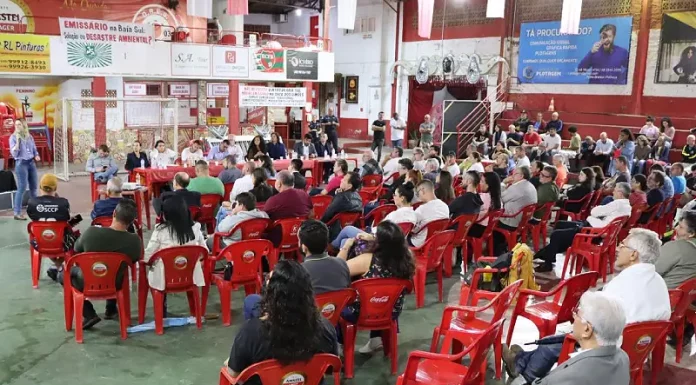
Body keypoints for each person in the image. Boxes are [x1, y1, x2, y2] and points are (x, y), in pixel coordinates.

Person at [225, 260, 338, 383]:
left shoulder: (250, 332)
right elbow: (329, 369)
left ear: (271, 294)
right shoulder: (326, 328)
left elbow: (233, 373)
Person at [505, 291, 630, 385]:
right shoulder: (623, 358)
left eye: (577, 313)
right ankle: (518, 361)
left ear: (587, 330)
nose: (573, 317)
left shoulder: (566, 378)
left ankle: (517, 365)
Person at [336, 221, 415, 354]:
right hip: (391, 311)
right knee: (383, 296)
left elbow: (337, 269)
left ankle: (341, 345)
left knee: (340, 304)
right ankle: (376, 338)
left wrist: (346, 246)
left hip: (360, 313)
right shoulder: (407, 257)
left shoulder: (367, 260)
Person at [65, 199, 142, 328]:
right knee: (115, 268)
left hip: (88, 280)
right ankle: (111, 309)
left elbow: (77, 250)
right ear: (132, 221)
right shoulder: (135, 241)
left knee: (65, 274)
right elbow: (133, 260)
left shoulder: (91, 232)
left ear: (114, 214)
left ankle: (89, 314)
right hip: (115, 282)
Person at [535, 182, 632, 272]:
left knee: (557, 234)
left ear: (620, 193)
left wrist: (595, 211)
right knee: (560, 224)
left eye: (615, 189)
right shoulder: (627, 207)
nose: (613, 191)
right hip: (595, 230)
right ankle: (547, 254)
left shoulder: (617, 204)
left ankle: (547, 262)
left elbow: (594, 212)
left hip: (592, 233)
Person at [144, 195, 207, 295]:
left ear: (165, 215)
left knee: (156, 275)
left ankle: (162, 308)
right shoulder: (195, 228)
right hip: (189, 275)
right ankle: (196, 310)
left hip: (164, 279)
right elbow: (204, 252)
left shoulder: (160, 231)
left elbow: (147, 256)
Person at [28, 174, 80, 279]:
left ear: (40, 187)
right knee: (77, 228)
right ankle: (60, 266)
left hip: (40, 242)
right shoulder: (63, 202)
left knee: (45, 234)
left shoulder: (32, 202)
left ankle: (57, 265)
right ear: (55, 188)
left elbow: (32, 218)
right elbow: (67, 220)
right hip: (61, 242)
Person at [658, 211, 696, 346]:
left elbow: (653, 270)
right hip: (686, 301)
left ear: (691, 234)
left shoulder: (676, 247)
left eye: (680, 227)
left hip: (663, 301)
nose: (675, 229)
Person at [493, 166, 538, 255]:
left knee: (490, 223)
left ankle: (495, 253)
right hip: (523, 221)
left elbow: (501, 198)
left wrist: (503, 183)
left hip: (510, 221)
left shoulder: (517, 188)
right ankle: (504, 246)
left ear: (521, 176)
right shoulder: (530, 186)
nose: (512, 176)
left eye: (515, 173)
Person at [298, 220, 350, 294]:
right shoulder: (342, 264)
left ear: (304, 248)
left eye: (298, 240)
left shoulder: (297, 272)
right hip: (339, 305)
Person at [9, 119, 39, 220]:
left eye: (19, 124)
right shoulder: (12, 138)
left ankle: (35, 210)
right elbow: (14, 154)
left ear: (24, 125)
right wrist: (17, 141)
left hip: (31, 163)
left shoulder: (29, 137)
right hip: (21, 164)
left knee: (34, 187)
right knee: (22, 188)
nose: (17, 126)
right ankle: (17, 213)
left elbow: (34, 148)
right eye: (15, 125)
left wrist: (36, 155)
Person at [321, 172, 363, 239]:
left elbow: (327, 216)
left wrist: (317, 224)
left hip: (333, 233)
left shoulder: (341, 197)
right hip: (348, 232)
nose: (341, 180)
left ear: (349, 186)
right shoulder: (359, 197)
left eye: (344, 179)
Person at [410, 180, 450, 248]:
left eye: (417, 193)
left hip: (421, 244)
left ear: (422, 190)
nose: (418, 196)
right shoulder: (445, 206)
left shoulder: (422, 209)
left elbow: (410, 225)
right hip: (437, 243)